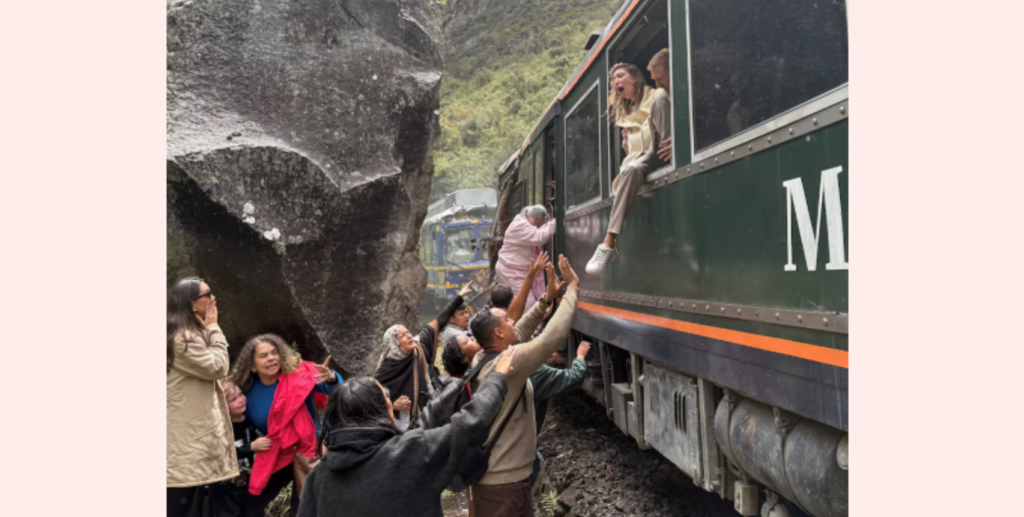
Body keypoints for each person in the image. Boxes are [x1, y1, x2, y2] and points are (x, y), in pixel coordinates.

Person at [296, 349, 519, 517]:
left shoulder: (319, 478)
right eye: (386, 397)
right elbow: (471, 423)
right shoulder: (413, 451)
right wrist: (497, 379)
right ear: (380, 410)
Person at [467, 255, 580, 517]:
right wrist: (572, 288)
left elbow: (520, 330)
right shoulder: (511, 365)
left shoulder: (482, 358)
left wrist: (546, 300)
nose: (512, 322)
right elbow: (550, 338)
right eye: (506, 321)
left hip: (492, 482)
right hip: (505, 489)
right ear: (497, 334)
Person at [227, 335, 342, 515]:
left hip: (307, 451)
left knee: (303, 508)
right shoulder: (246, 394)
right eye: (263, 356)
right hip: (276, 453)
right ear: (251, 365)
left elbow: (335, 390)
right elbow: (233, 423)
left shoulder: (300, 376)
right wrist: (248, 448)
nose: (271, 358)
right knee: (251, 505)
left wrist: (331, 378)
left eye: (274, 353)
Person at [587, 50, 674, 275]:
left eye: (620, 76)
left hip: (663, 152)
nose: (615, 82)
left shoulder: (656, 95)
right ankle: (609, 245)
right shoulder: (626, 117)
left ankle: (608, 242)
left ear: (635, 77)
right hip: (644, 161)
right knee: (632, 168)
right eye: (612, 79)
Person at [167, 277, 239, 517]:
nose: (213, 299)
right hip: (185, 441)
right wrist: (214, 328)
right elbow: (218, 367)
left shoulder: (182, 334)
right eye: (207, 295)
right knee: (181, 505)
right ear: (190, 304)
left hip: (186, 438)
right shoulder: (182, 339)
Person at [375, 283, 473, 429]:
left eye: (408, 332)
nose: (409, 336)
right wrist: (394, 406)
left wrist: (458, 298)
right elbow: (373, 402)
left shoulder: (419, 350)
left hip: (425, 422)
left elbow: (437, 323)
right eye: (403, 336)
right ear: (394, 344)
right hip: (398, 431)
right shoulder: (385, 371)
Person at [527, 341, 592, 494]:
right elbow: (574, 377)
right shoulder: (535, 371)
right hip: (520, 443)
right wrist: (580, 357)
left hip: (507, 442)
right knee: (533, 470)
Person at [495, 205, 555, 313]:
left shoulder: (523, 222)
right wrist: (555, 222)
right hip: (512, 272)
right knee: (528, 304)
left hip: (512, 270)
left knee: (518, 302)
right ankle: (531, 329)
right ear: (536, 220)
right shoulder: (520, 226)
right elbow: (539, 237)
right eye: (539, 223)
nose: (538, 226)